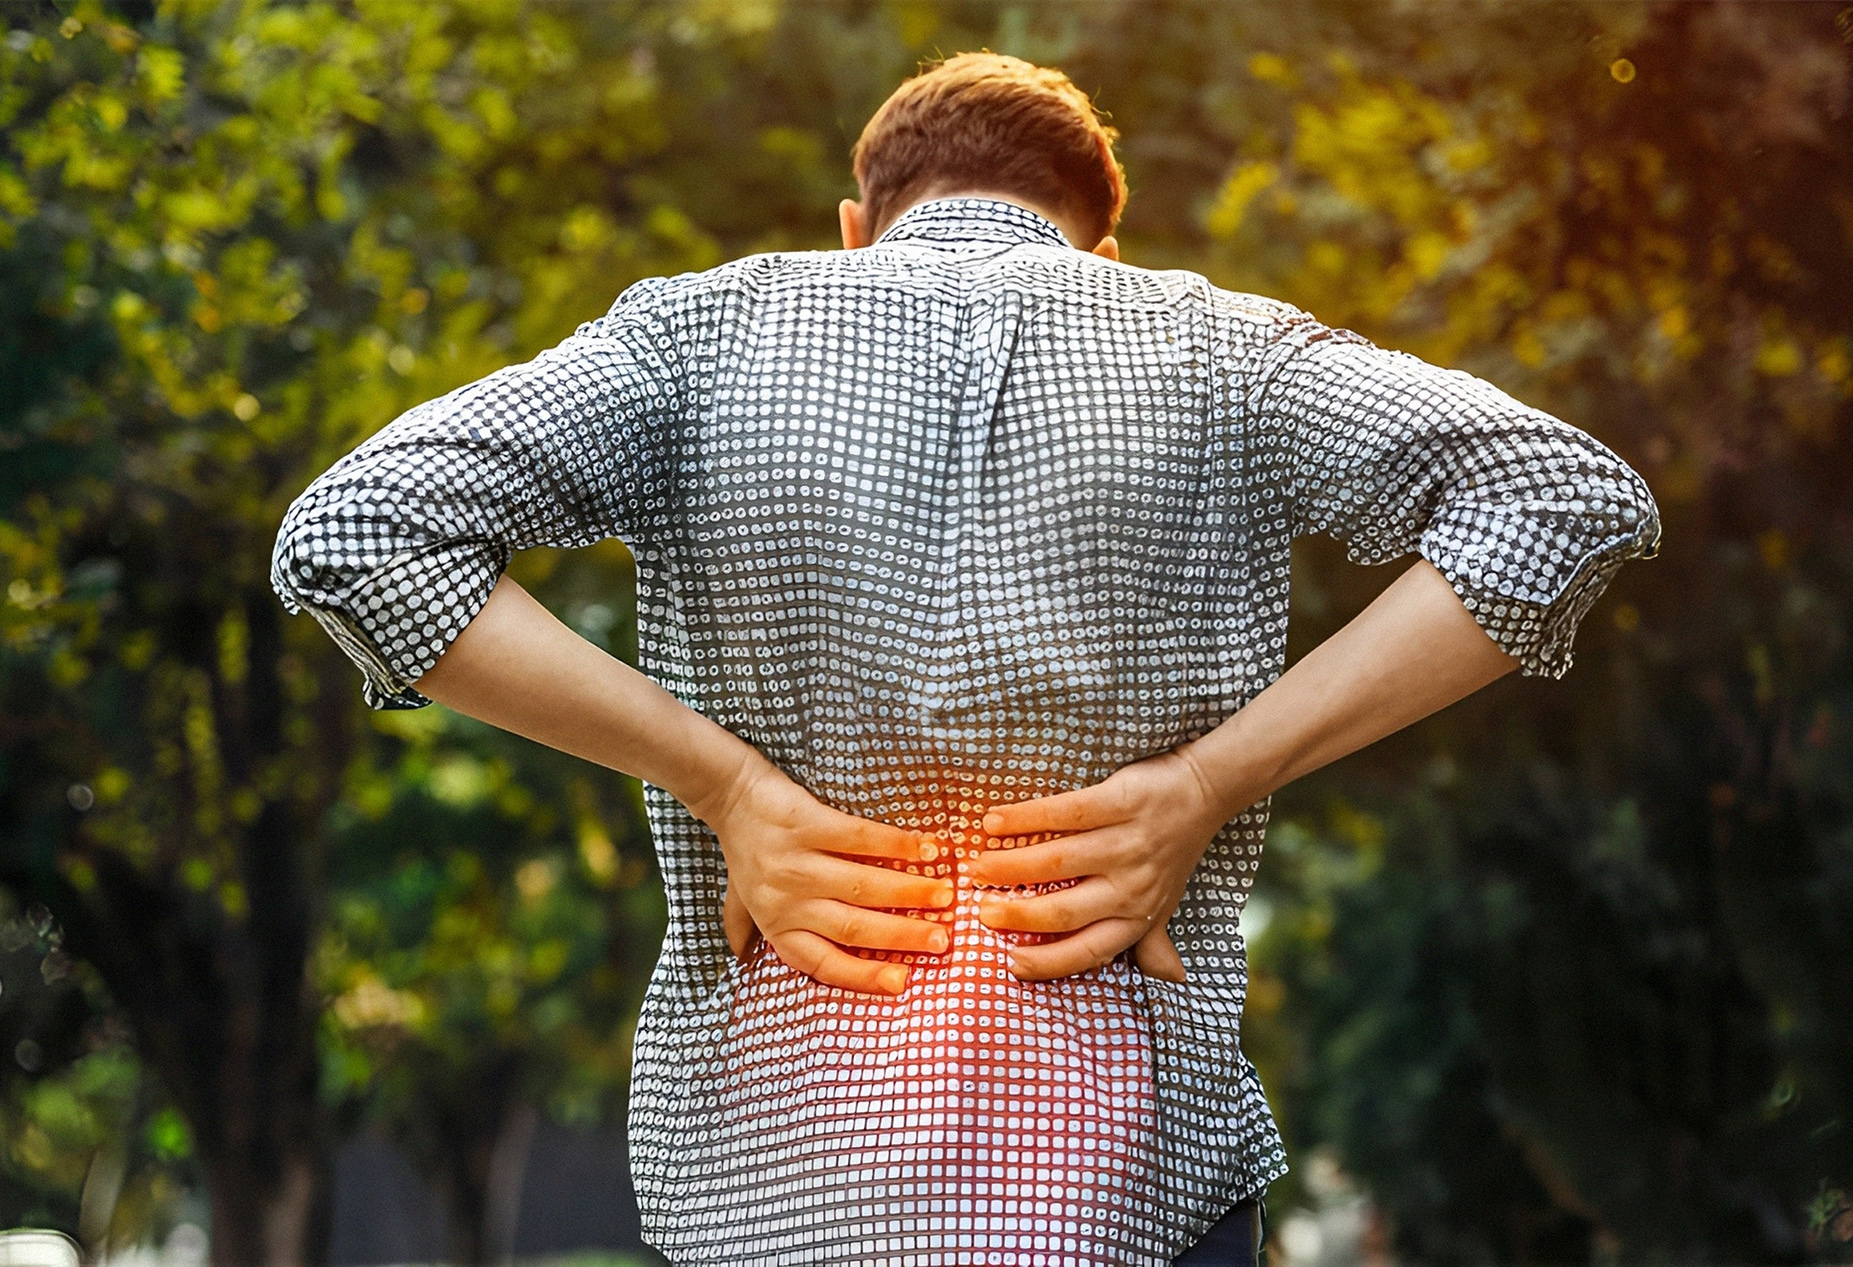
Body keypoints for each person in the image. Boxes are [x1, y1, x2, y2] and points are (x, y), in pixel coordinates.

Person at [272, 52, 1659, 1266]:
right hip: (1128, 1175)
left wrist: (726, 787)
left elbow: (353, 532)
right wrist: (1205, 786)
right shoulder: (1220, 349)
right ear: (1099, 241)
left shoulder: (696, 338)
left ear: (855, 224)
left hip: (785, 1167)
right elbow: (1563, 497)